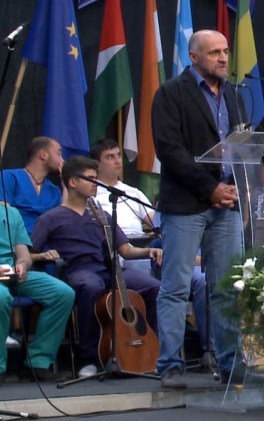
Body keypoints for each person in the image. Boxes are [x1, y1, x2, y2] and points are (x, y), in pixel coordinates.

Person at [152, 29, 245, 388]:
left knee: (226, 288)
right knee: (175, 287)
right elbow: (169, 150)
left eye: (225, 51)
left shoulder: (234, 95)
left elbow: (242, 145)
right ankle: (171, 366)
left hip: (228, 205)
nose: (223, 58)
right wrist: (210, 189)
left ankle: (230, 364)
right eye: (214, 53)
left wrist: (234, 187)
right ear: (193, 58)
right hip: (186, 205)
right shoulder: (171, 93)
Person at [30, 157, 161, 379]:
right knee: (92, 287)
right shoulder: (50, 218)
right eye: (90, 179)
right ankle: (88, 357)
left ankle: (151, 349)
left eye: (95, 178)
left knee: (154, 287)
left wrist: (149, 251)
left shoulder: (102, 215)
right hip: (76, 270)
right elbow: (28, 251)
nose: (96, 184)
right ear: (72, 182)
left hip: (108, 269)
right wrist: (44, 254)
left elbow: (126, 251)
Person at [0, 203, 74, 383]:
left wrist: (23, 266)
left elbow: (24, 254)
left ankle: (37, 363)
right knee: (1, 297)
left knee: (63, 293)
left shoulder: (10, 213)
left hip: (10, 272)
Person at [90, 139, 156, 273]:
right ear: (97, 164)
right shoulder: (91, 192)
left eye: (119, 155)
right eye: (110, 157)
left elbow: (154, 220)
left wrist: (159, 229)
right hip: (110, 247)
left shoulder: (133, 192)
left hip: (139, 244)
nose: (117, 161)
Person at [0, 136, 64, 234]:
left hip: (46, 244)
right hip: (15, 241)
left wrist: (65, 181)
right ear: (43, 155)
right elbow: (3, 214)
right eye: (58, 154)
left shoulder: (54, 190)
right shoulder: (9, 177)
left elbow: (64, 218)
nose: (62, 161)